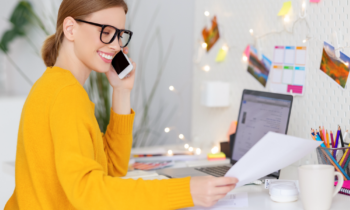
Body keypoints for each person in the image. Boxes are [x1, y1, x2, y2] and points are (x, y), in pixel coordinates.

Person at [4, 0, 238, 209]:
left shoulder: (55, 85)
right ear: (70, 28)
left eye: (120, 35)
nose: (116, 45)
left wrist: (121, 91)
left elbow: (113, 167)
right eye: (106, 32)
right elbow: (88, 193)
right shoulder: (66, 94)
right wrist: (187, 191)